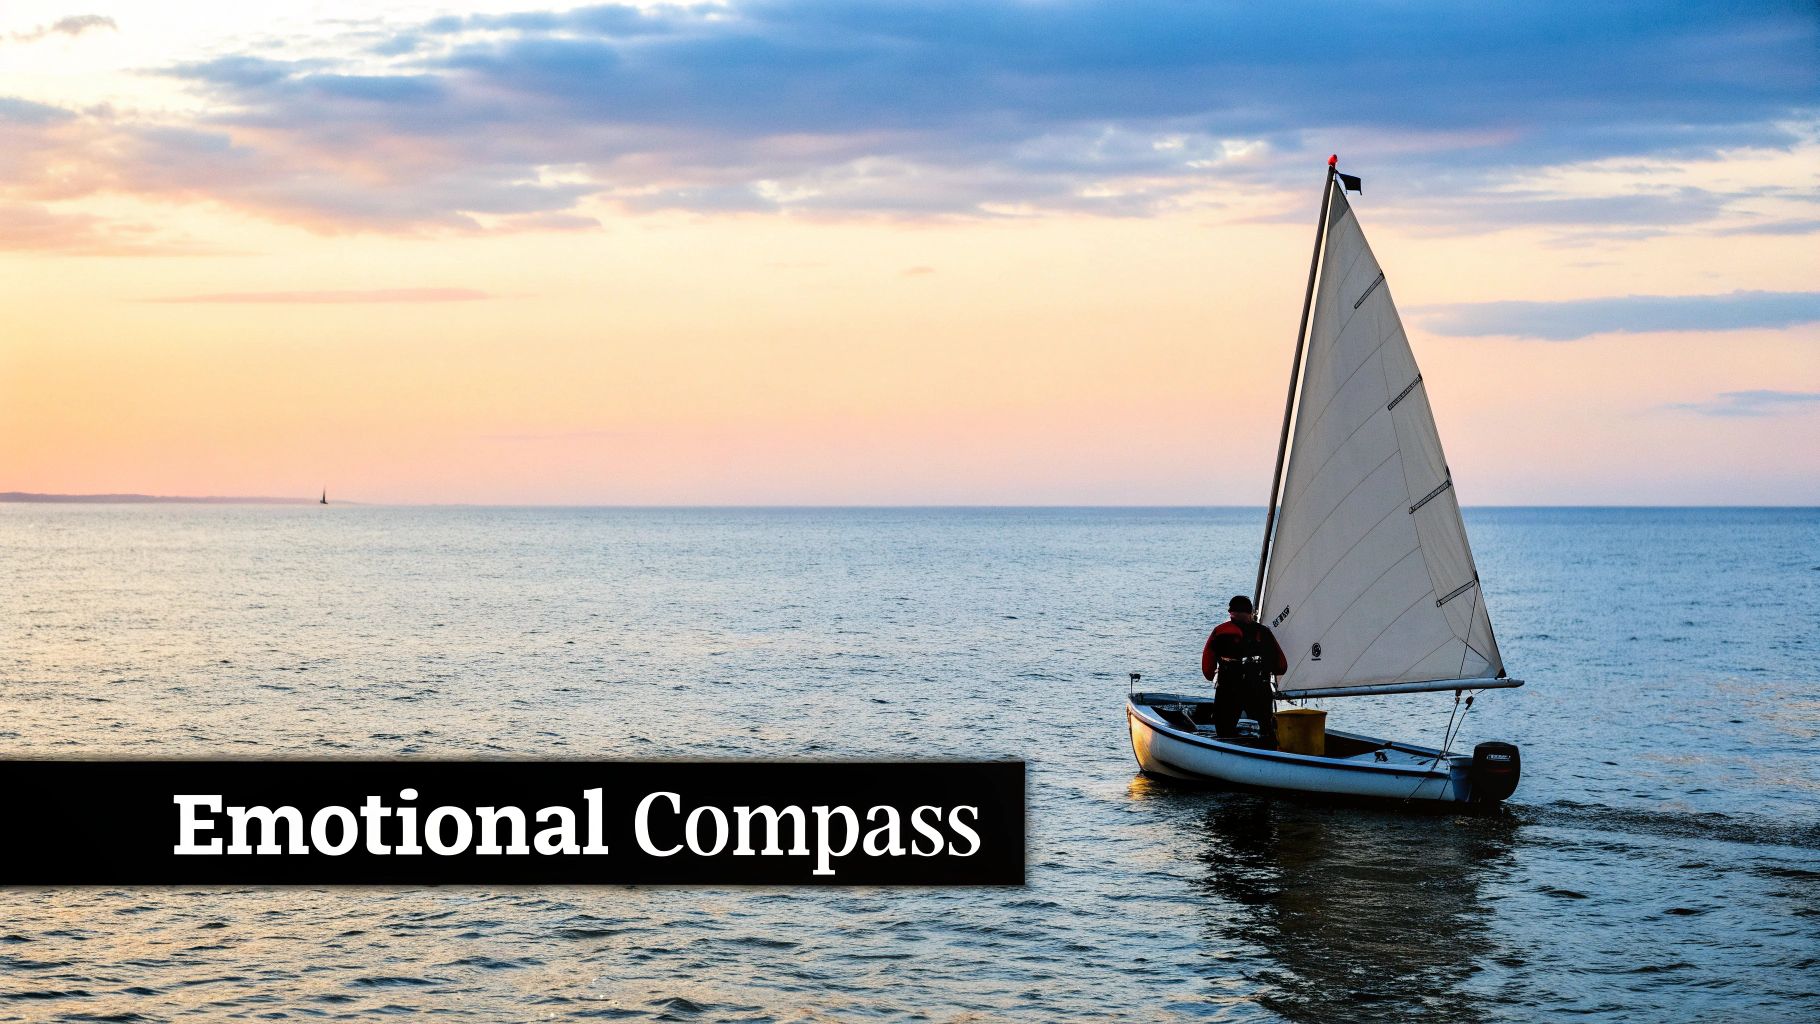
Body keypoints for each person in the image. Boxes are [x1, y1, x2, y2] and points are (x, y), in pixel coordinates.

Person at [1200, 595, 1288, 745]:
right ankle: (1268, 753)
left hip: (1229, 690)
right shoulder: (1264, 633)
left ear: (1230, 612)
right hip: (1259, 689)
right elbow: (1281, 666)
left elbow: (1208, 671)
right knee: (1266, 730)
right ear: (1251, 612)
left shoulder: (1220, 632)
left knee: (1224, 731)